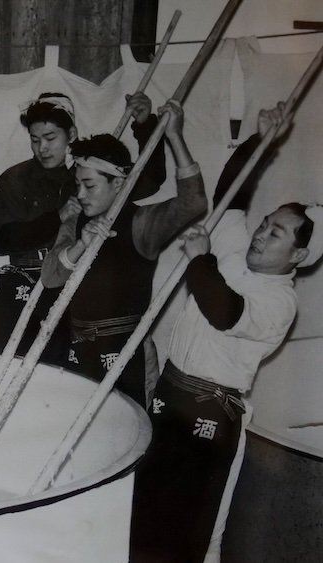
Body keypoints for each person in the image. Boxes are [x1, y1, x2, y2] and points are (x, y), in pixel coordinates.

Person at [130, 104, 321, 563]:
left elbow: (224, 311)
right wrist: (261, 141)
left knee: (183, 534)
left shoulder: (280, 302)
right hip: (169, 398)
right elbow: (233, 194)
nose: (260, 234)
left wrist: (199, 259)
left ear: (298, 256)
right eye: (265, 224)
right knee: (139, 517)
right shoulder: (237, 250)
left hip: (208, 419)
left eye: (276, 234)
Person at [40, 100, 206, 406]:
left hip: (125, 351)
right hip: (78, 347)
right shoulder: (76, 219)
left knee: (127, 432)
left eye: (89, 185)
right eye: (78, 184)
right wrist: (81, 244)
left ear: (118, 183)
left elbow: (193, 203)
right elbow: (50, 277)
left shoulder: (141, 222)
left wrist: (174, 136)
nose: (80, 194)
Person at [0, 90, 166, 364]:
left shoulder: (88, 175)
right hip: (20, 287)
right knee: (6, 369)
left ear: (71, 134)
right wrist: (56, 218)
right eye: (35, 140)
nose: (42, 148)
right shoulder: (15, 179)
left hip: (72, 288)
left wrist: (144, 125)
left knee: (63, 381)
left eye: (50, 138)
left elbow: (150, 180)